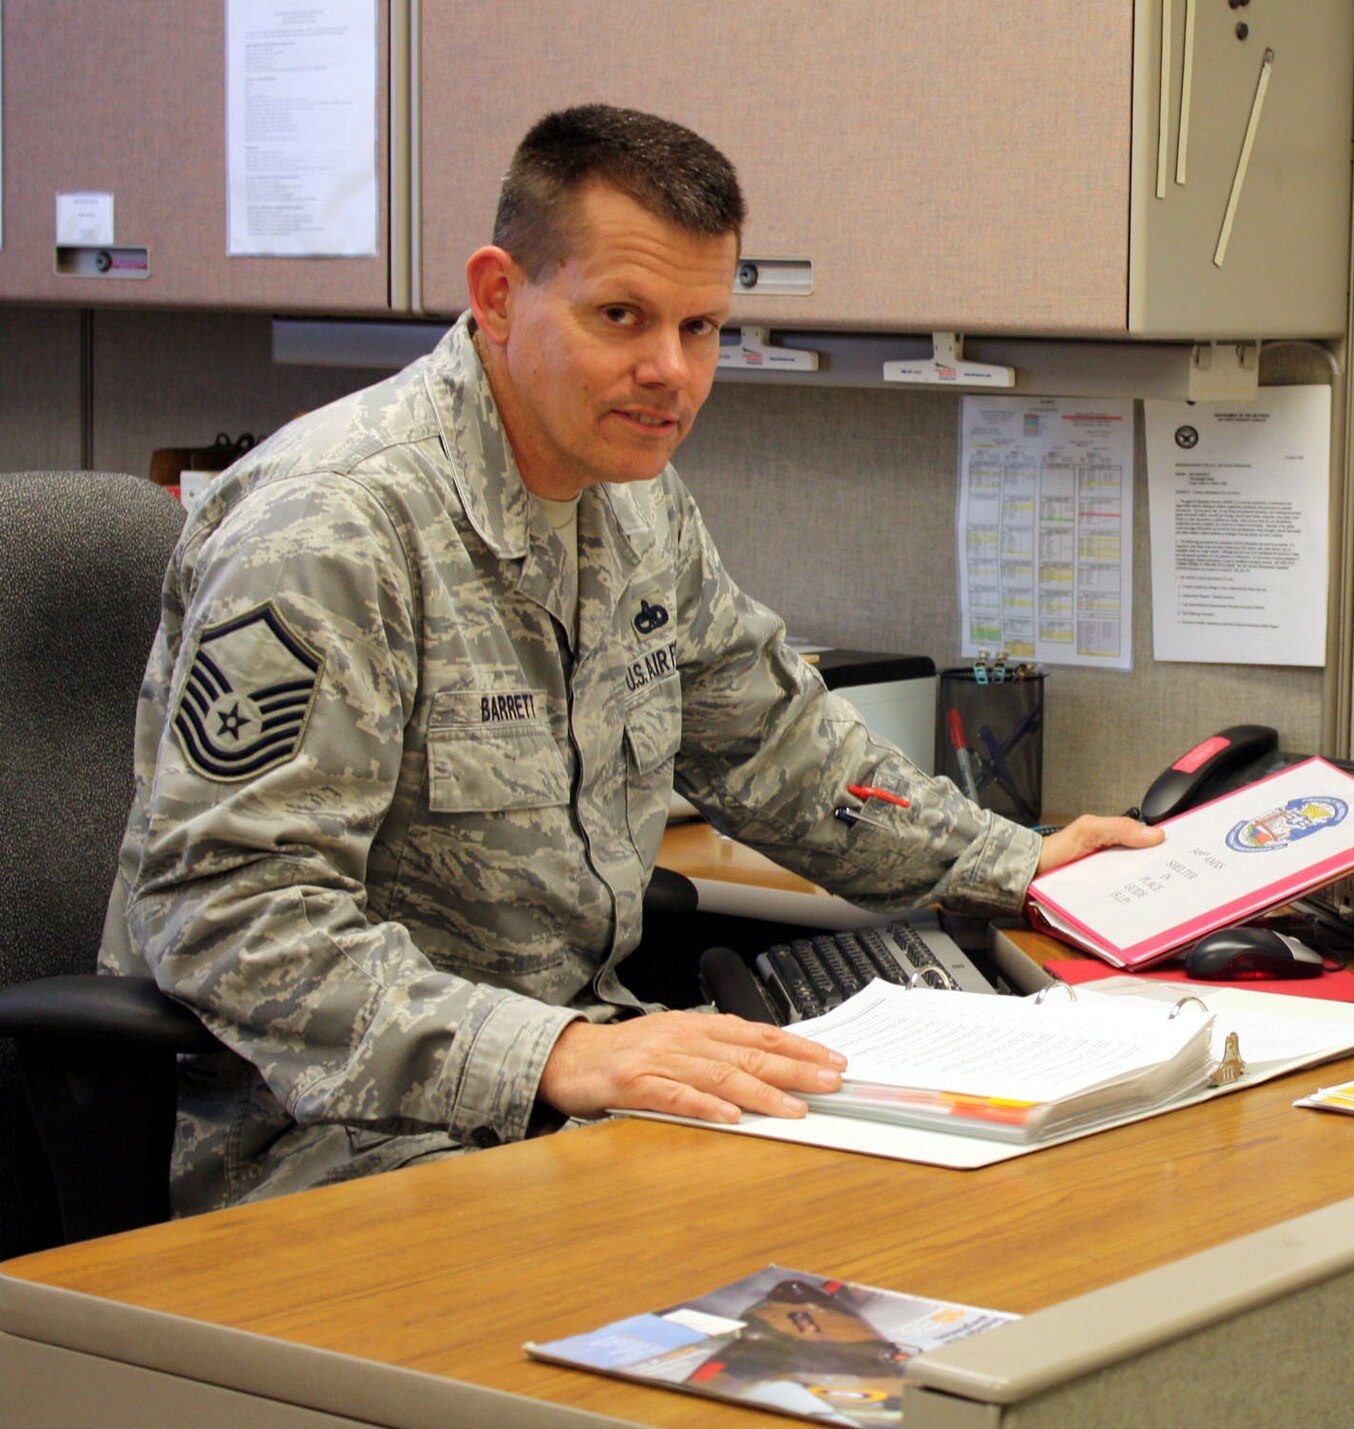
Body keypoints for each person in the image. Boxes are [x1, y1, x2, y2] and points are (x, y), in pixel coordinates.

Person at [100, 104, 1161, 1215]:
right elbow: (233, 916)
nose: (670, 371)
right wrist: (552, 1052)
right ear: (500, 294)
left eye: (700, 327)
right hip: (316, 1136)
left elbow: (775, 746)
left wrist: (1018, 865)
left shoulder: (631, 496)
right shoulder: (334, 529)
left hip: (552, 1097)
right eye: (622, 316)